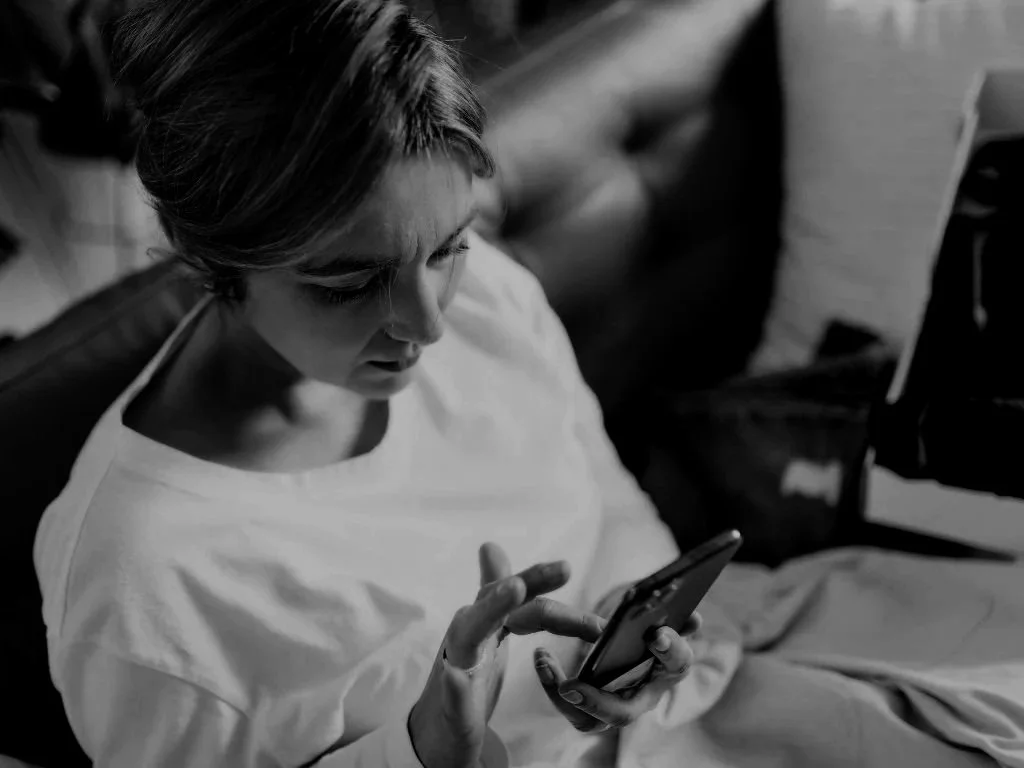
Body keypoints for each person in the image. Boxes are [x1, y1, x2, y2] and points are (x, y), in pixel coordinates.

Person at [32, 0, 698, 766]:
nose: (430, 326)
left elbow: (608, 499)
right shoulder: (143, 589)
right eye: (350, 282)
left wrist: (633, 637)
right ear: (202, 248)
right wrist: (422, 751)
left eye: (449, 246)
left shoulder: (488, 295)